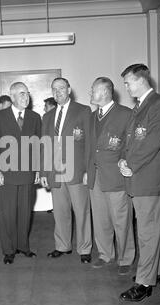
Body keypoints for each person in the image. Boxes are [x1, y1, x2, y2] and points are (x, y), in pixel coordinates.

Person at [119, 64, 160, 302]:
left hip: (149, 179)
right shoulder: (139, 107)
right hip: (139, 179)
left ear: (140, 80)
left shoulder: (159, 105)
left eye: (128, 82)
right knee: (153, 228)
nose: (126, 87)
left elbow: (153, 143)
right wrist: (122, 160)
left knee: (147, 232)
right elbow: (129, 140)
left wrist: (131, 164)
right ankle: (159, 271)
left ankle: (145, 283)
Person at [40, 77, 92, 263]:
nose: (57, 92)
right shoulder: (47, 116)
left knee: (82, 211)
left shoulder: (83, 111)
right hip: (55, 171)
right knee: (60, 212)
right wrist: (44, 172)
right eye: (54, 89)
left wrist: (88, 170)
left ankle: (85, 249)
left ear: (69, 89)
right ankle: (62, 246)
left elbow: (89, 144)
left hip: (77, 171)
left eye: (61, 88)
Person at [86, 77, 135, 274]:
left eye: (93, 90)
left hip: (116, 176)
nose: (90, 94)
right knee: (100, 218)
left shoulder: (126, 114)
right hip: (95, 175)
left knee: (121, 220)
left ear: (105, 92)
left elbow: (131, 145)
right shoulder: (91, 116)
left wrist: (124, 161)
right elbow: (89, 148)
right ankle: (105, 254)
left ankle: (126, 258)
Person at [0, 82, 41, 264]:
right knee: (7, 214)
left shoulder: (35, 117)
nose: (25, 97)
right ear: (11, 97)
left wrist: (38, 169)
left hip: (27, 174)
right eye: (21, 94)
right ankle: (9, 250)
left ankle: (23, 246)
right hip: (6, 174)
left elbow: (38, 146)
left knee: (25, 212)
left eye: (27, 93)